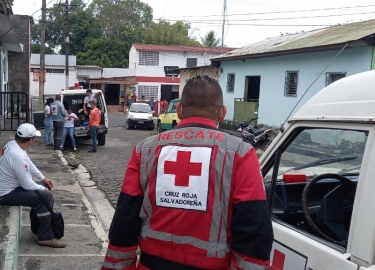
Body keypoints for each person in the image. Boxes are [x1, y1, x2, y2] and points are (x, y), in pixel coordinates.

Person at [101, 75, 273, 270]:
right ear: (222, 113)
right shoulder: (240, 154)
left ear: (180, 110)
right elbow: (254, 231)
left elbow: (125, 220)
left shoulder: (145, 150)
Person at [0, 123, 66, 248]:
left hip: (9, 189)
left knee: (43, 192)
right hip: (7, 194)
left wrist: (43, 178)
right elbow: (27, 184)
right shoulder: (17, 156)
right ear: (31, 140)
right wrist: (42, 188)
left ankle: (40, 227)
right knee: (47, 196)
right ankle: (45, 237)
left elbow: (29, 163)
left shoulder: (13, 145)